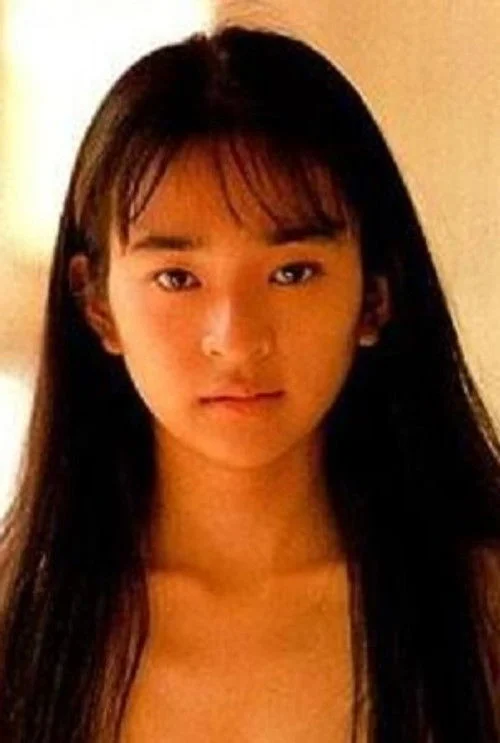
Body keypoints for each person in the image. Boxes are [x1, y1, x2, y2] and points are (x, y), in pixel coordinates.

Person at [0, 23, 499, 743]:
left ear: (375, 293)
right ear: (97, 302)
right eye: (178, 278)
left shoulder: (480, 617)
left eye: (292, 272)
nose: (236, 339)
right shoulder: (20, 631)